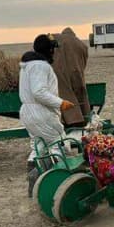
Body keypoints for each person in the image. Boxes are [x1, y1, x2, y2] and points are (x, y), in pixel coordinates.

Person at [21, 34, 74, 195]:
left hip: (28, 112)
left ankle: (34, 178)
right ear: (49, 50)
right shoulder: (40, 66)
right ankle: (55, 182)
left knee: (39, 144)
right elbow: (39, 92)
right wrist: (60, 103)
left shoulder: (27, 65)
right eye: (52, 49)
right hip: (40, 111)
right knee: (59, 142)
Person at [52, 27, 90, 129]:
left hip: (59, 73)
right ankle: (81, 118)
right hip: (76, 73)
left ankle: (69, 120)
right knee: (79, 95)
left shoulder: (57, 39)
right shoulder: (81, 44)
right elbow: (84, 61)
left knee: (64, 94)